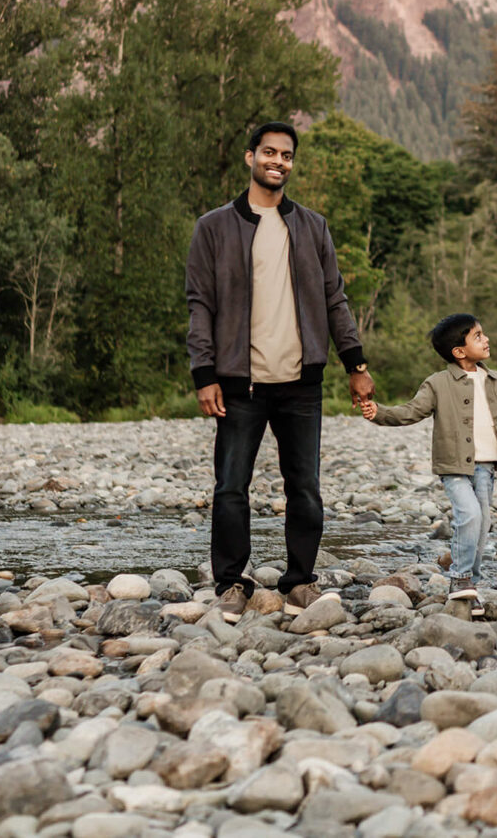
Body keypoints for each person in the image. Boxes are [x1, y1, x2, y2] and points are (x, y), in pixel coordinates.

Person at [186, 121, 376, 622]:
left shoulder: (312, 226)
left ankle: (300, 584)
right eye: (268, 152)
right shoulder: (214, 227)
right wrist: (203, 373)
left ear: (292, 163)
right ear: (250, 157)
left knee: (305, 488)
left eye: (286, 155)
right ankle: (230, 584)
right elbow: (200, 304)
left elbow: (335, 299)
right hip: (238, 382)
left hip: (301, 383)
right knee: (230, 487)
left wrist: (355, 363)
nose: (278, 161)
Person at [356, 314, 497, 614]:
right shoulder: (437, 383)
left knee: (483, 525)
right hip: (455, 468)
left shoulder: (496, 380)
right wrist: (379, 412)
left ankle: (469, 585)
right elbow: (411, 411)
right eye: (478, 336)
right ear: (459, 351)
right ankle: (460, 579)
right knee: (470, 517)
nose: (486, 339)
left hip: (486, 468)